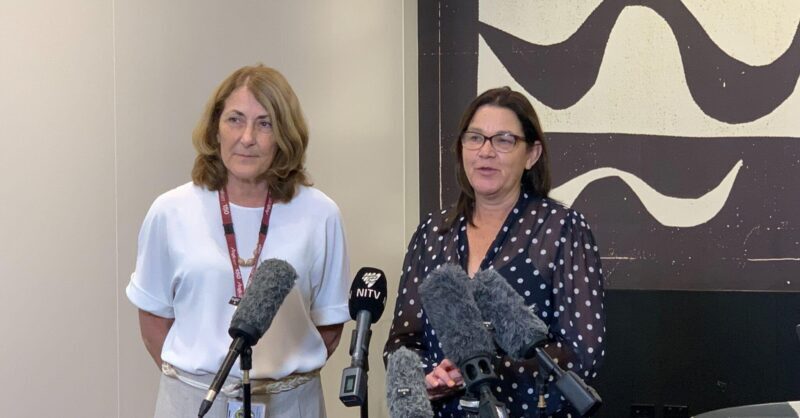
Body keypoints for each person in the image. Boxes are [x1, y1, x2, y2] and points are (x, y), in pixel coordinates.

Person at [127, 65, 350, 418]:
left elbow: (329, 326)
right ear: (216, 128)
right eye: (235, 120)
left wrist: (276, 379)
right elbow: (153, 321)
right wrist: (205, 384)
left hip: (289, 403)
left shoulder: (320, 214)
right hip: (194, 400)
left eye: (265, 124)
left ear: (285, 136)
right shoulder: (170, 211)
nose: (247, 137)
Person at [384, 87, 605, 417]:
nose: (485, 151)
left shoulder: (562, 229)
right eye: (475, 138)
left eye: (503, 140)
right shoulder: (433, 232)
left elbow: (582, 354)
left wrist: (484, 370)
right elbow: (402, 342)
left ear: (531, 154)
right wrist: (428, 377)